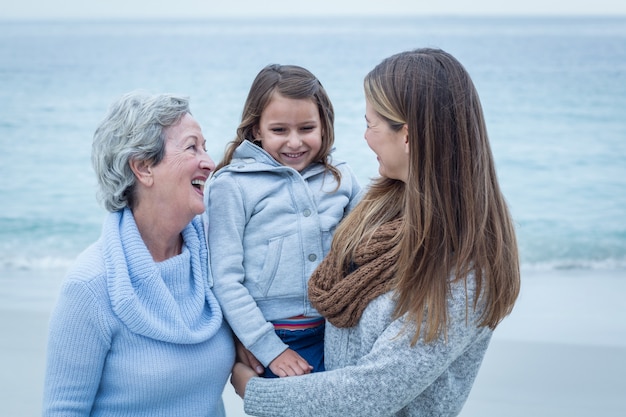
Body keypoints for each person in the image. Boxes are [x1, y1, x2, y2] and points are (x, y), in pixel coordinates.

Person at [231, 48, 521, 416]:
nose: (365, 138)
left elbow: (372, 391)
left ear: (408, 136)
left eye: (371, 124)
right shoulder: (377, 210)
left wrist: (250, 388)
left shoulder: (464, 270)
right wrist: (260, 338)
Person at [42, 92, 235, 416]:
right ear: (143, 167)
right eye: (192, 147)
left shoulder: (215, 255)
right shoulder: (89, 287)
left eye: (205, 146)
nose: (210, 161)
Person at [206, 64, 361, 378]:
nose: (295, 142)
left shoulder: (341, 177)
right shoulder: (231, 185)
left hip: (338, 330)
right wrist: (268, 346)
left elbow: (368, 242)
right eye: (279, 130)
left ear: (323, 126)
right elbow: (224, 279)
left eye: (306, 128)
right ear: (256, 130)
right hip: (275, 338)